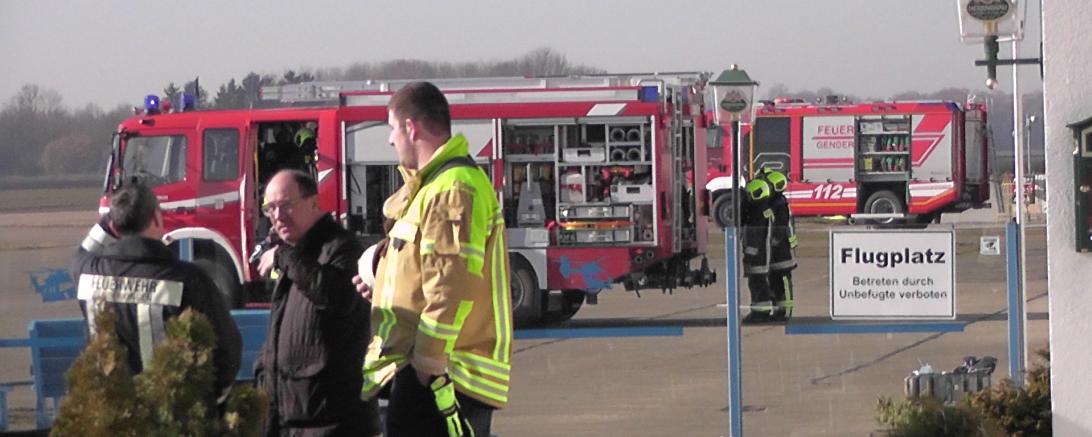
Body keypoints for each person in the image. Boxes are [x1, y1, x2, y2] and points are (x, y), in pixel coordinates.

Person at [354, 81, 514, 437]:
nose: (390, 140)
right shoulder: (433, 187)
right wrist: (380, 283)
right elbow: (427, 272)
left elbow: (450, 287)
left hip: (440, 377)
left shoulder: (452, 188)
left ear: (411, 128)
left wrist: (426, 364)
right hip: (431, 374)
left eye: (392, 128)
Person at [70, 182, 241, 404]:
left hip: (108, 410)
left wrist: (109, 221)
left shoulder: (86, 272)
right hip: (171, 412)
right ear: (157, 219)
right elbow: (227, 351)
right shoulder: (188, 280)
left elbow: (82, 252)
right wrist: (204, 404)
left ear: (114, 225)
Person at [254, 170, 374, 436]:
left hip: (333, 422)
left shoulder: (341, 248)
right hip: (288, 421)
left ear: (314, 202)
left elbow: (333, 296)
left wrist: (284, 257)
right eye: (270, 208)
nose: (277, 216)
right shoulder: (295, 256)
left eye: (286, 205)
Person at [759, 168, 798, 321]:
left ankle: (785, 310)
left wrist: (774, 241)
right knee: (774, 281)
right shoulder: (773, 202)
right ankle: (778, 310)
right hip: (775, 250)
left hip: (783, 251)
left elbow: (782, 227)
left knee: (783, 280)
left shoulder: (780, 205)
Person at [741, 178, 776, 323]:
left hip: (758, 255)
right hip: (763, 253)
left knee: (757, 283)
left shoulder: (757, 213)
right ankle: (761, 311)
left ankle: (760, 313)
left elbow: (754, 235)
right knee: (759, 282)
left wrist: (749, 255)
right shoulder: (765, 210)